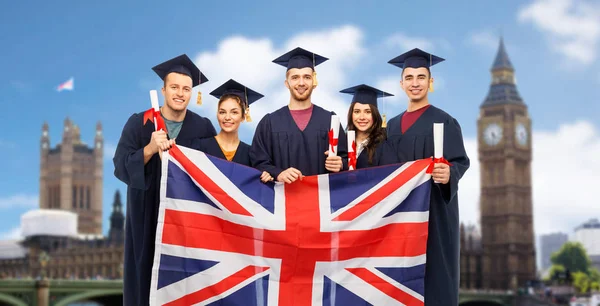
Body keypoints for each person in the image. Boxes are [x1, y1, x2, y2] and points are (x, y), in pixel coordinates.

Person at [113, 54, 216, 306]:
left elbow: (217, 173)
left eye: (186, 88)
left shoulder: (203, 127)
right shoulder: (140, 123)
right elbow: (120, 166)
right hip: (148, 218)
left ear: (192, 93)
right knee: (146, 281)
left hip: (187, 222)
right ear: (163, 90)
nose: (179, 93)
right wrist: (148, 149)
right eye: (174, 87)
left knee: (188, 284)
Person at [383, 48, 470, 306]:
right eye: (409, 78)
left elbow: (460, 162)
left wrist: (449, 173)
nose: (415, 83)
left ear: (431, 83)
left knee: (434, 275)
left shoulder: (445, 121)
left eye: (421, 77)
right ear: (401, 84)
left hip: (434, 214)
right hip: (398, 215)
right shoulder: (391, 126)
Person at [250, 47, 346, 183]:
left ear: (314, 82)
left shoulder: (330, 120)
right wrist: (278, 173)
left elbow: (348, 160)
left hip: (322, 201)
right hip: (283, 201)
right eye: (295, 77)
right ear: (286, 83)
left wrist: (341, 164)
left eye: (307, 77)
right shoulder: (270, 122)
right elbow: (258, 163)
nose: (301, 83)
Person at [192, 79, 273, 182]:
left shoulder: (251, 154)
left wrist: (265, 177)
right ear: (217, 115)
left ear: (243, 117)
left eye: (234, 112)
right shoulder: (200, 147)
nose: (227, 117)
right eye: (222, 112)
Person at [340, 84, 393, 169]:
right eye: (357, 112)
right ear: (351, 114)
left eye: (368, 112)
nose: (362, 117)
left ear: (375, 115)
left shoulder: (383, 147)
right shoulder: (342, 144)